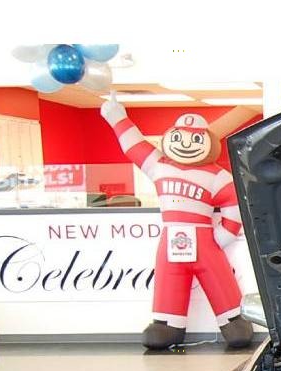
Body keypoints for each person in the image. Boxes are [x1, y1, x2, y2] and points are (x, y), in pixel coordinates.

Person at [100, 92, 253, 350]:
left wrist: (223, 234)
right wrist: (117, 116)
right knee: (169, 278)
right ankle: (167, 323)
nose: (186, 144)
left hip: (205, 240)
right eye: (179, 137)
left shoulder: (217, 175)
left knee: (219, 278)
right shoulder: (159, 165)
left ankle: (232, 320)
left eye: (194, 138)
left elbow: (235, 203)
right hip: (171, 238)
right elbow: (133, 145)